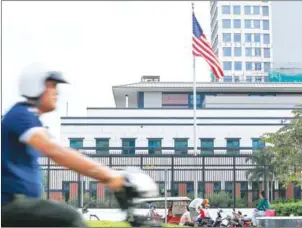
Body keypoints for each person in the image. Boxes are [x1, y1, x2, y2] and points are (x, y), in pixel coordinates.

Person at [1, 63, 159, 227]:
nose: (57, 92)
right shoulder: (21, 116)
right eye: (52, 86)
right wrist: (110, 176)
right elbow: (56, 151)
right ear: (35, 87)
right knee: (70, 218)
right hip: (10, 204)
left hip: (19, 205)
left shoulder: (29, 119)